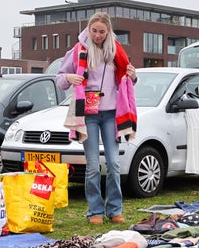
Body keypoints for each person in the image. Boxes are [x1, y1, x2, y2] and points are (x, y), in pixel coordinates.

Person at [56, 12, 138, 225]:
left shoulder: (116, 51)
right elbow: (59, 80)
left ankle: (115, 210)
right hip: (89, 115)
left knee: (113, 163)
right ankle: (95, 212)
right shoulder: (77, 50)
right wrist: (68, 77)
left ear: (108, 31)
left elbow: (128, 82)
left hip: (112, 114)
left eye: (102, 31)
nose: (98, 35)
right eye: (94, 31)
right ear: (88, 30)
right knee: (93, 165)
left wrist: (133, 76)